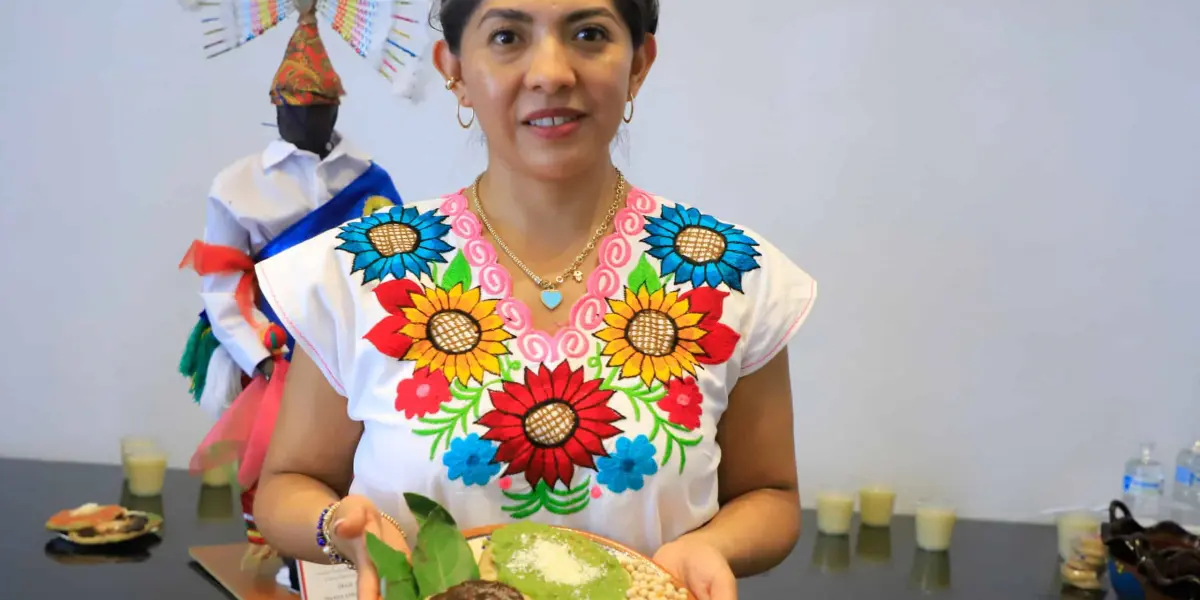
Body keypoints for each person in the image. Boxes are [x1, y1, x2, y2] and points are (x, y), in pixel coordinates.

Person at [252, 1, 817, 599]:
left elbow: (770, 495)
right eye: (506, 36)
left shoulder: (731, 275)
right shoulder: (360, 269)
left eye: (589, 33)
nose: (551, 72)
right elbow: (291, 482)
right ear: (456, 71)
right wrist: (339, 525)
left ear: (639, 64)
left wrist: (713, 545)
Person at [177, 2, 405, 580]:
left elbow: (396, 260)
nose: (308, 117)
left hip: (353, 343)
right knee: (272, 457)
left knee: (357, 450)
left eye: (320, 107)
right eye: (297, 107)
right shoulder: (236, 186)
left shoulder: (369, 177)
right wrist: (258, 353)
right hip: (276, 346)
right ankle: (281, 555)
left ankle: (346, 549)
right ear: (277, 107)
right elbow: (222, 284)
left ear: (336, 107)